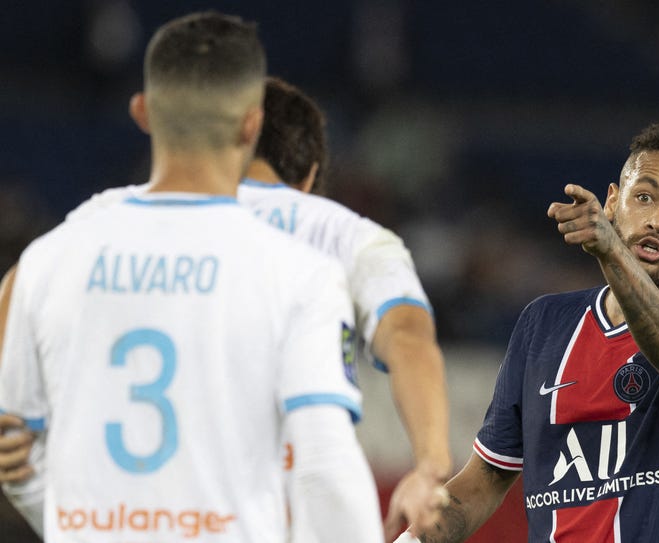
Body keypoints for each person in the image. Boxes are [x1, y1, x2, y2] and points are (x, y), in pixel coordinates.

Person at [0, 76, 452, 540]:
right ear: (311, 174)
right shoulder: (348, 236)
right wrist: (429, 465)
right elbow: (408, 337)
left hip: (131, 513)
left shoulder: (116, 212)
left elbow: (21, 280)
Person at [397, 121, 659, 542]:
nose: (658, 221)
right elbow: (482, 482)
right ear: (613, 202)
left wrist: (612, 253)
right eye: (644, 197)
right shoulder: (543, 324)